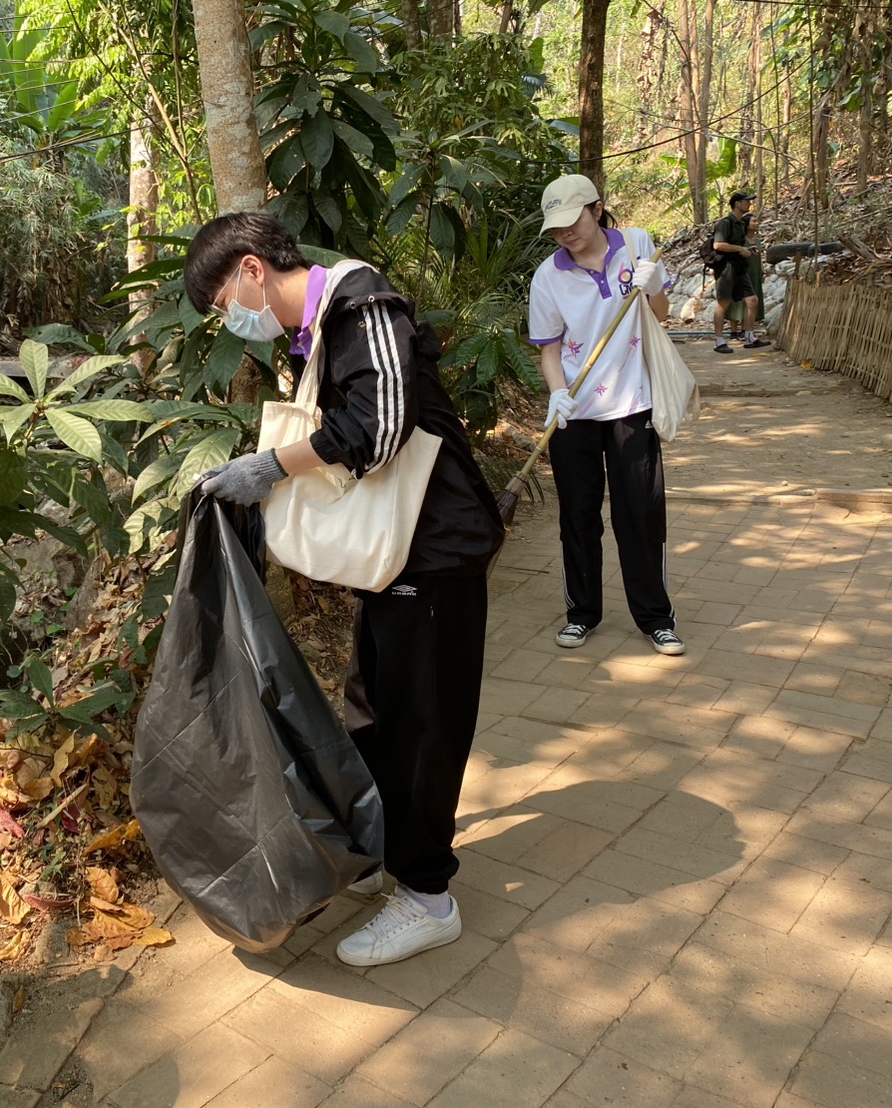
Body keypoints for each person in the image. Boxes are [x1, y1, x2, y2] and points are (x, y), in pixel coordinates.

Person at [182, 212, 505, 968]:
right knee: (374, 709)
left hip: (435, 550)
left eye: (223, 302)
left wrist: (270, 467)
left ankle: (428, 896)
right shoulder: (324, 330)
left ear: (253, 269)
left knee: (423, 725)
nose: (229, 320)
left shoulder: (363, 305)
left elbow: (381, 427)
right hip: (393, 559)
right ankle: (383, 848)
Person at [528, 174, 686, 657]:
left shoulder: (636, 246)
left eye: (572, 221)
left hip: (631, 406)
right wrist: (557, 394)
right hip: (574, 412)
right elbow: (549, 350)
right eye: (556, 227)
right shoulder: (548, 276)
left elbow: (659, 314)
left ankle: (656, 618)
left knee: (640, 515)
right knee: (577, 517)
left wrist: (652, 286)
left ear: (596, 209)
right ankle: (582, 614)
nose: (565, 234)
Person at [712, 191, 769, 354]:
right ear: (737, 204)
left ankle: (750, 337)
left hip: (739, 267)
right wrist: (740, 249)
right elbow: (718, 245)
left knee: (752, 300)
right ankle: (719, 341)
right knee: (724, 302)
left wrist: (747, 251)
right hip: (726, 268)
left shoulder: (739, 223)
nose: (749, 204)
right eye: (746, 201)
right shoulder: (725, 223)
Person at [724, 210, 765, 336]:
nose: (757, 223)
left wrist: (761, 270)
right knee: (738, 301)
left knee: (751, 301)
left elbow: (759, 258)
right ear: (746, 224)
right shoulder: (739, 241)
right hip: (741, 273)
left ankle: (745, 329)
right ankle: (733, 330)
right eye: (754, 221)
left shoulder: (757, 241)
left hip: (754, 273)